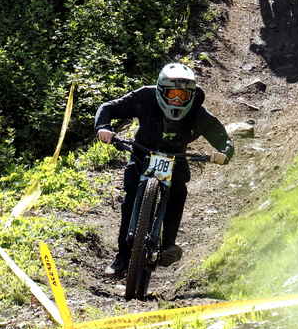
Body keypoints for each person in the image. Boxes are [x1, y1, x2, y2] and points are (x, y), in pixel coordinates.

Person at [95, 62, 234, 276]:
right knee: (130, 200)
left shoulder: (198, 113)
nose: (177, 100)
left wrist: (223, 153)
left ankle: (169, 245)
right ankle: (122, 257)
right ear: (161, 91)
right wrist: (103, 127)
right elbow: (108, 108)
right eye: (172, 94)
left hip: (176, 157)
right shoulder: (145, 97)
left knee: (177, 192)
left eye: (183, 95)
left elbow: (223, 139)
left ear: (192, 96)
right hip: (142, 152)